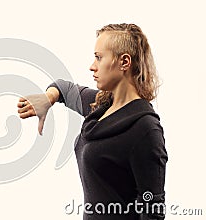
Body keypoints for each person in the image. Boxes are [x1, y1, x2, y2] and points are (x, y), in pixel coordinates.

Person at [18, 23, 167, 219]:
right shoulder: (101, 105)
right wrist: (49, 97)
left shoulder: (146, 129)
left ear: (124, 62)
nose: (92, 66)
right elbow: (66, 88)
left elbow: (153, 212)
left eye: (99, 57)